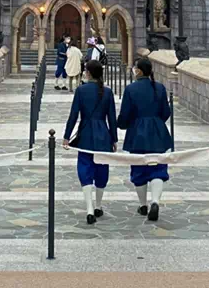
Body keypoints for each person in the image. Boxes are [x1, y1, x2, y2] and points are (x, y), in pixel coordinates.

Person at [117, 57, 173, 221]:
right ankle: (155, 201)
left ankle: (143, 205)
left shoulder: (131, 89)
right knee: (158, 167)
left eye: (135, 68)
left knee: (139, 168)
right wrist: (156, 122)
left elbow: (125, 114)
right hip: (157, 131)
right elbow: (166, 112)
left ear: (139, 71)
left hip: (137, 132)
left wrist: (122, 124)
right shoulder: (160, 88)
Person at [63, 60, 117, 225]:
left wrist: (66, 136)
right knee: (102, 169)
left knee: (85, 168)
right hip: (102, 134)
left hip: (85, 134)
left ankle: (89, 208)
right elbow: (112, 119)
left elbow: (74, 115)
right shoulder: (108, 92)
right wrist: (114, 139)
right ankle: (99, 205)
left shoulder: (81, 90)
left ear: (88, 73)